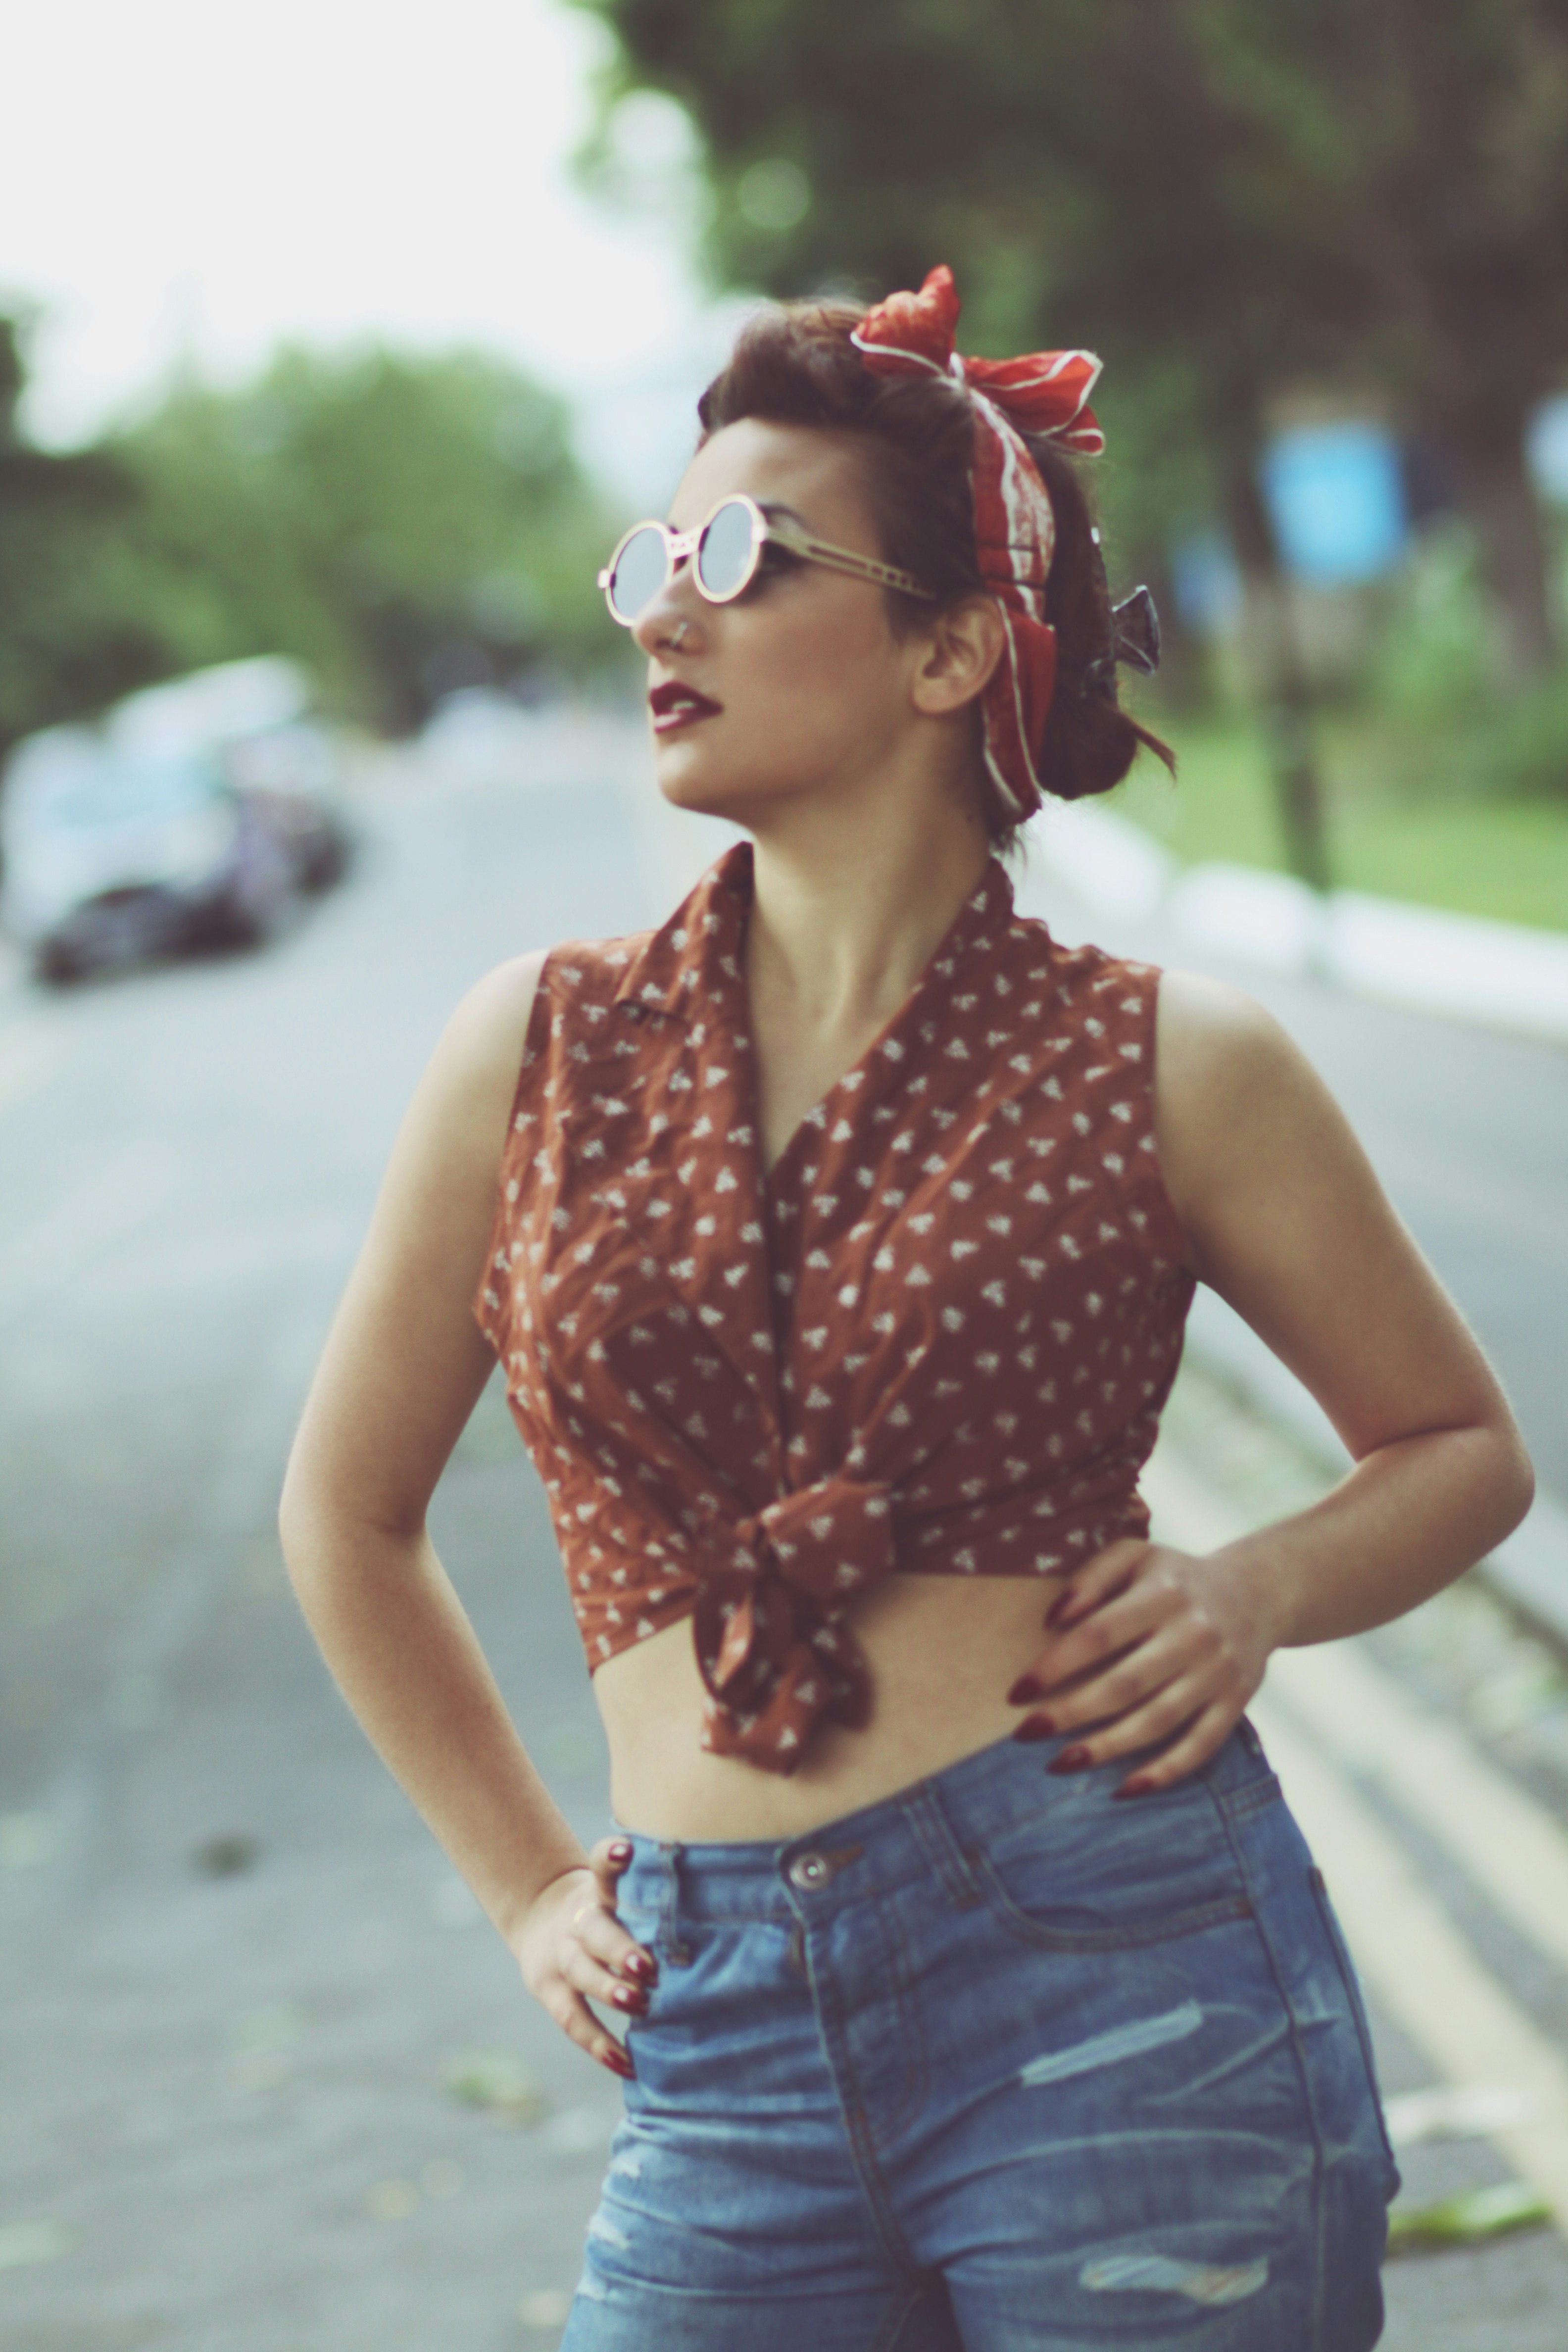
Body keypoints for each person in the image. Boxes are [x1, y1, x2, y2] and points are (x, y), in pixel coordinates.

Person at [279, 265, 1534, 2350]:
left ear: (955, 643)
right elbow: (347, 1512)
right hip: (716, 2039)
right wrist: (521, 1882)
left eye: (745, 555)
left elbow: (1459, 1449)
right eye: (652, 556)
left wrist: (1253, 1594)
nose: (663, 612)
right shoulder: (534, 1049)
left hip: (1123, 1974)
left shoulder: (1172, 1063)